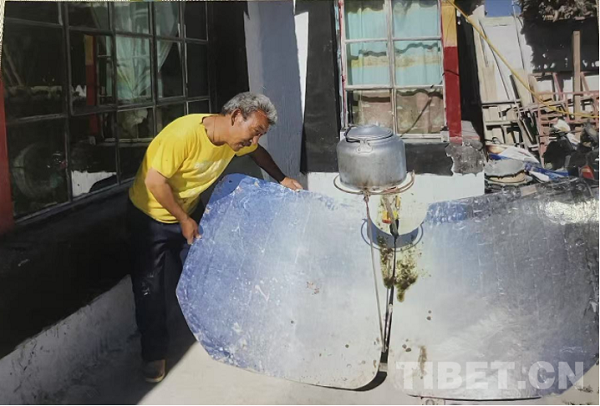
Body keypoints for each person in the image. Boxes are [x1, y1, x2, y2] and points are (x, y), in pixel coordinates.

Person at [127, 92, 302, 383]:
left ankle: (220, 335)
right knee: (150, 289)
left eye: (260, 134)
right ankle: (153, 354)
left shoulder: (236, 140)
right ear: (236, 116)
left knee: (208, 273)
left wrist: (282, 178)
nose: (254, 140)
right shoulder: (183, 135)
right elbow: (154, 181)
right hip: (149, 217)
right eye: (254, 132)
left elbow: (257, 153)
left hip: (186, 213)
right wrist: (183, 220)